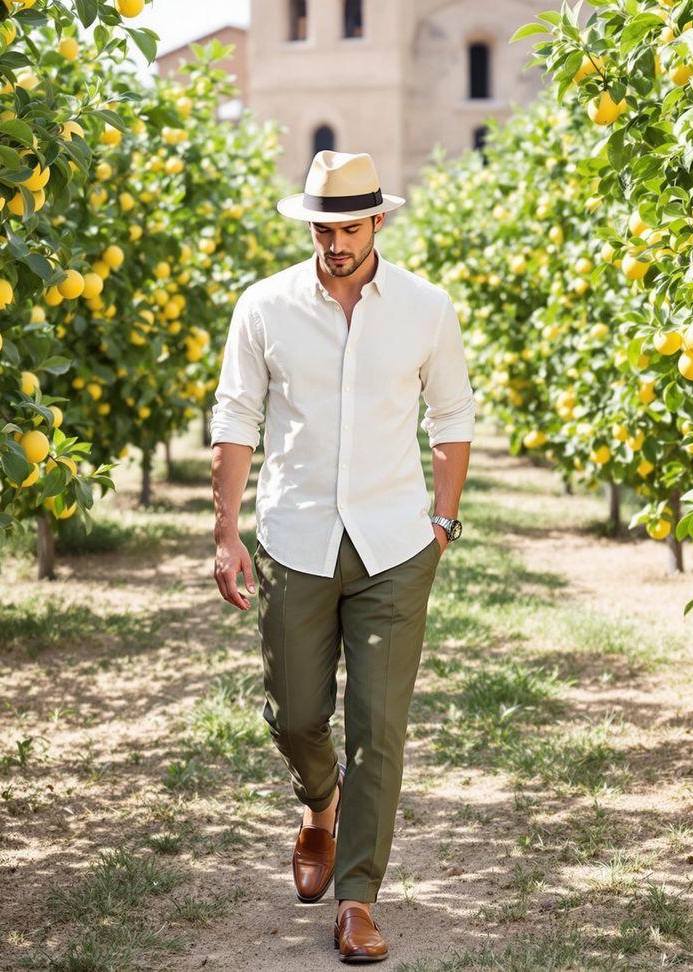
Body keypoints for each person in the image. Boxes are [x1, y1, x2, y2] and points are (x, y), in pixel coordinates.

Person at [210, 150, 475, 963]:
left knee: (379, 730)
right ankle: (317, 804)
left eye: (349, 228)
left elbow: (453, 415)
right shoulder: (264, 306)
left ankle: (358, 898)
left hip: (397, 545)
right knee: (294, 714)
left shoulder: (427, 309)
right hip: (295, 540)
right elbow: (236, 414)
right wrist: (225, 530)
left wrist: (443, 523)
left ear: (378, 224)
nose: (335, 243)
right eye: (323, 228)